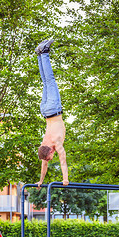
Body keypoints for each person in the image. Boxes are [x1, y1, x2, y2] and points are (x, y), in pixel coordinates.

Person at [35, 39, 69, 188]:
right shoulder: (44, 145)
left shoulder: (56, 143)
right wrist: (41, 181)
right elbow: (44, 166)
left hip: (54, 109)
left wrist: (65, 179)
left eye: (49, 158)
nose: (49, 159)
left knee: (50, 80)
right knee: (45, 81)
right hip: (44, 110)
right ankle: (39, 54)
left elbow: (63, 162)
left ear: (49, 152)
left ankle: (45, 52)